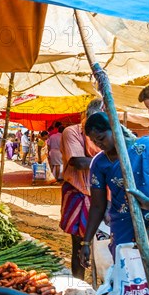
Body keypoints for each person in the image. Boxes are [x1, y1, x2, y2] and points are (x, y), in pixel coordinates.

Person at [80, 112, 149, 295]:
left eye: (102, 137)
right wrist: (86, 241)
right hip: (123, 225)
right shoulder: (100, 162)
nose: (99, 144)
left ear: (115, 128)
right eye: (94, 141)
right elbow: (98, 205)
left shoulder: (147, 146)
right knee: (129, 277)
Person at [59, 99, 103, 280]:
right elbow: (77, 162)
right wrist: (108, 159)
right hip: (79, 192)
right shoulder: (72, 132)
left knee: (105, 242)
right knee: (79, 243)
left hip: (103, 193)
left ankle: (104, 282)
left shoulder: (112, 134)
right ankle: (79, 283)